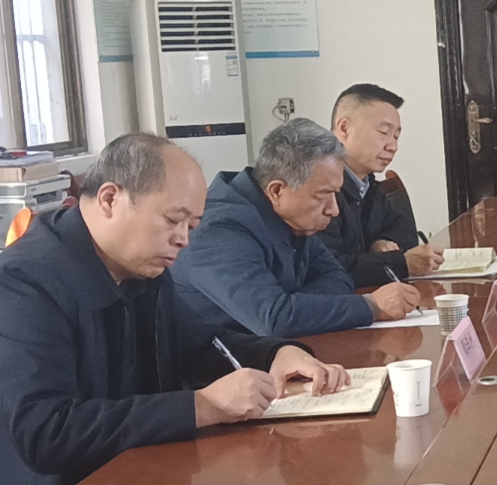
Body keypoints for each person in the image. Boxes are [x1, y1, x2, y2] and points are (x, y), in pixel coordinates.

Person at [0, 133, 350, 485]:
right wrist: (201, 405)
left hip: (111, 477)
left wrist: (277, 354)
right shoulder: (25, 282)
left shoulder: (136, 265)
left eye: (192, 226)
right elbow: (46, 433)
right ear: (110, 198)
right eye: (173, 220)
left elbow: (198, 344)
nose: (183, 240)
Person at [174, 117, 421, 337]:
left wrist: (294, 304)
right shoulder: (219, 229)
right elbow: (274, 319)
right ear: (277, 190)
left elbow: (339, 277)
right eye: (322, 196)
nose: (333, 210)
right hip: (222, 367)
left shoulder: (293, 217)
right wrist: (372, 307)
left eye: (335, 194)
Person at [317, 83, 444, 285]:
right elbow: (328, 267)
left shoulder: (366, 183)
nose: (393, 146)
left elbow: (405, 227)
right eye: (384, 132)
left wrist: (384, 241)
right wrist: (400, 263)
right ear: (344, 128)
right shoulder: (319, 189)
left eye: (396, 136)